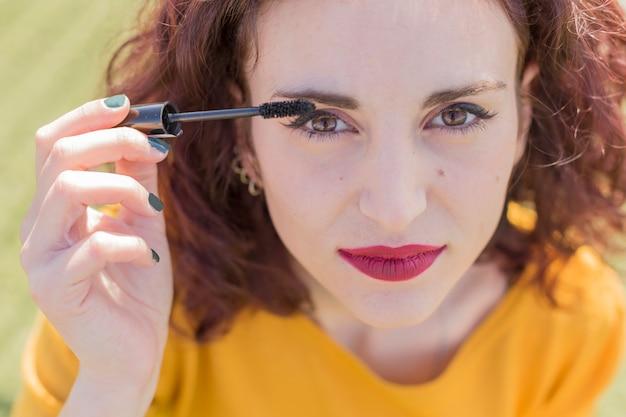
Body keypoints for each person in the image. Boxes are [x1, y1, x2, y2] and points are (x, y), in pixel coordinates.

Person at [11, 0, 626, 416]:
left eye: (457, 115)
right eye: (322, 122)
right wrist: (114, 388)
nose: (394, 210)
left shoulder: (571, 324)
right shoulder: (120, 303)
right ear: (243, 138)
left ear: (521, 118)